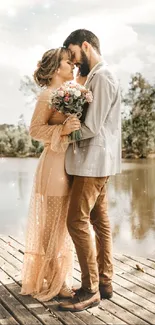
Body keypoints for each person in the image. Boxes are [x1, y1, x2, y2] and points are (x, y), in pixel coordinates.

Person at [59, 29, 122, 312]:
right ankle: (104, 282)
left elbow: (91, 127)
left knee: (76, 221)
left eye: (73, 54)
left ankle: (89, 289)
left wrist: (63, 133)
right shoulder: (94, 76)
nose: (73, 62)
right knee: (100, 221)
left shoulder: (103, 76)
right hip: (94, 162)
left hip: (92, 164)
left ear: (86, 45)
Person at [21, 47, 81, 302]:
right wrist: (64, 130)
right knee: (53, 226)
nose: (73, 67)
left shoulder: (69, 93)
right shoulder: (47, 95)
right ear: (58, 68)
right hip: (53, 166)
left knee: (62, 224)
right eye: (69, 63)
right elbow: (34, 130)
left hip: (68, 164)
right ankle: (56, 278)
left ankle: (53, 273)